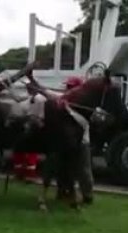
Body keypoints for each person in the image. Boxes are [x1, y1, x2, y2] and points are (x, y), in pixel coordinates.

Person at [26, 73, 94, 204]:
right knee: (63, 170)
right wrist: (31, 78)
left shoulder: (83, 105)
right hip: (67, 143)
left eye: (71, 87)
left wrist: (66, 107)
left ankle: (87, 196)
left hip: (82, 142)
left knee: (84, 171)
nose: (68, 89)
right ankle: (63, 193)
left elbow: (81, 122)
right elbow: (43, 90)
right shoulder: (63, 97)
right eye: (68, 87)